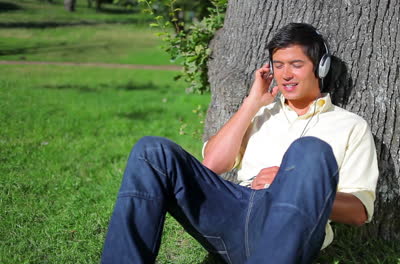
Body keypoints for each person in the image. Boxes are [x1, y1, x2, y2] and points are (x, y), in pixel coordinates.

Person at [101, 23, 379, 264]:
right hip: (235, 212)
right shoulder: (261, 113)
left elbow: (358, 212)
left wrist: (297, 188)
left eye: (296, 65)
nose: (285, 75)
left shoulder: (350, 125)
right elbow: (211, 165)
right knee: (152, 151)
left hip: (292, 228)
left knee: (310, 149)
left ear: (321, 67)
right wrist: (252, 104)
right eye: (278, 65)